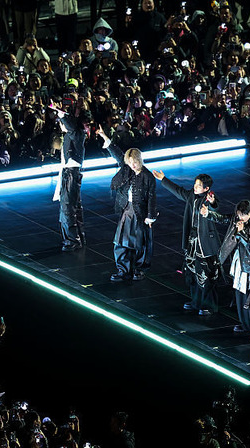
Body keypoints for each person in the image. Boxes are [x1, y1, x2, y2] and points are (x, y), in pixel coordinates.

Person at [154, 169, 222, 315]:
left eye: (198, 186)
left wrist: (212, 201)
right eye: (195, 184)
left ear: (206, 188)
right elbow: (178, 191)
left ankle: (208, 305)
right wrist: (163, 179)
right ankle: (196, 302)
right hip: (192, 240)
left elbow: (215, 204)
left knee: (205, 274)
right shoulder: (192, 195)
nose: (195, 187)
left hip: (205, 244)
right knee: (191, 272)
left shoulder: (207, 198)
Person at [95, 125, 157, 282]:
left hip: (141, 213)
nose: (133, 165)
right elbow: (117, 154)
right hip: (127, 210)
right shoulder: (127, 169)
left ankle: (139, 269)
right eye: (130, 163)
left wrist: (150, 217)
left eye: (135, 162)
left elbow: (151, 197)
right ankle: (123, 270)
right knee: (121, 241)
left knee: (141, 243)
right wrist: (105, 137)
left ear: (139, 160)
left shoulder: (148, 176)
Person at [215, 199, 250, 338]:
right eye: (239, 215)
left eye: (243, 215)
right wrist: (208, 213)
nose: (240, 218)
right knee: (240, 292)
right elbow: (224, 218)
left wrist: (241, 232)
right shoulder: (238, 218)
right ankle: (245, 323)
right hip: (241, 260)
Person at [49, 102, 90, 251]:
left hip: (71, 173)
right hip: (70, 172)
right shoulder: (72, 135)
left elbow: (70, 126)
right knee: (74, 206)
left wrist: (61, 113)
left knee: (68, 206)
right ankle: (76, 237)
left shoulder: (77, 132)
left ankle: (72, 240)